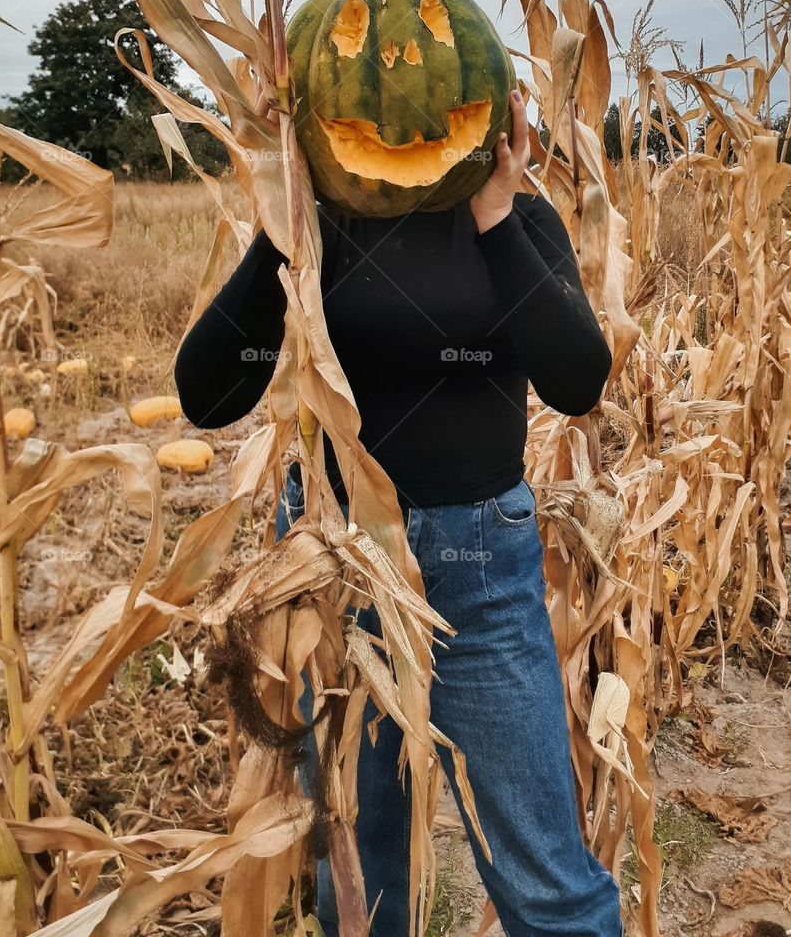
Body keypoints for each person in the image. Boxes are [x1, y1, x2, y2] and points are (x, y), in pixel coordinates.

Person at [174, 88, 623, 937]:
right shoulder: (318, 231)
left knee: (546, 881)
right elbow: (207, 394)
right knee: (361, 869)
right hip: (336, 573)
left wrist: (495, 211)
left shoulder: (516, 219)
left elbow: (576, 380)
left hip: (481, 574)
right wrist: (282, 228)